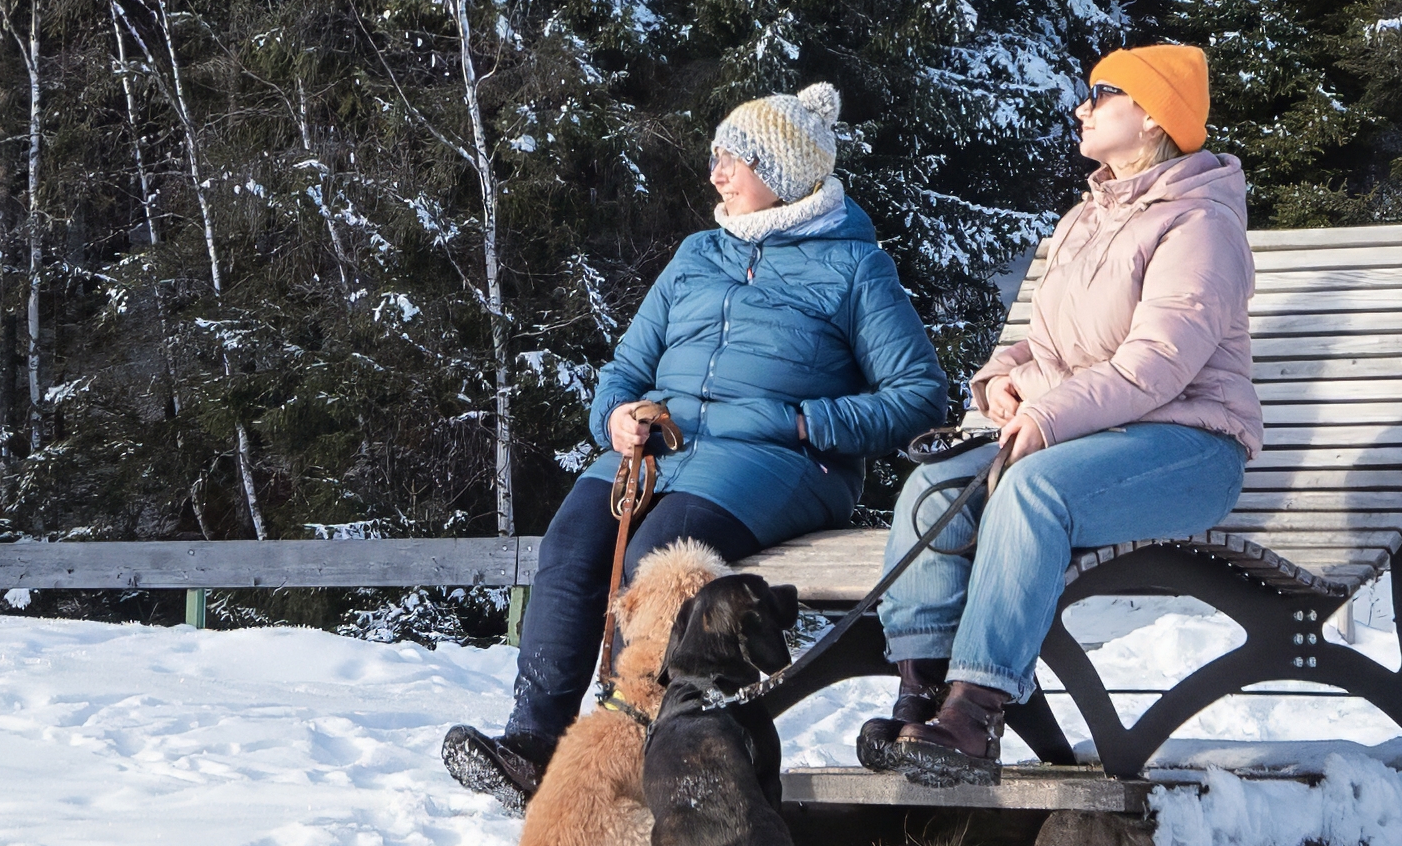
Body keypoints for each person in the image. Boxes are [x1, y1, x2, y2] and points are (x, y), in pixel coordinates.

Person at [441, 82, 947, 805]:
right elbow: (625, 368)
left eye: (735, 159)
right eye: (715, 157)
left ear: (783, 173)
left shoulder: (855, 267)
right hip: (662, 450)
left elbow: (918, 396)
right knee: (573, 542)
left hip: (782, 461)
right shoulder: (696, 254)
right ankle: (535, 746)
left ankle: (630, 760)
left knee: (659, 558)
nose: (717, 174)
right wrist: (616, 418)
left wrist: (802, 423)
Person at [860, 42, 1255, 789]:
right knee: (934, 488)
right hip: (1091, 435)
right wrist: (1000, 382)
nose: (1082, 107)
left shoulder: (1200, 224)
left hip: (1190, 446)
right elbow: (1046, 347)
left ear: (1152, 117)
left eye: (1101, 94)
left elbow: (1155, 365)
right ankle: (923, 697)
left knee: (1031, 492)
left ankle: (975, 713)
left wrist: (1047, 417)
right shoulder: (1085, 218)